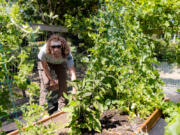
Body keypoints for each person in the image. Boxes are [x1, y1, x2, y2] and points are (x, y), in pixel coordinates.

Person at [38, 34, 76, 111]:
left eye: (58, 54)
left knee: (63, 81)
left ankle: (62, 105)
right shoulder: (43, 52)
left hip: (60, 63)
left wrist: (75, 89)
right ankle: (43, 109)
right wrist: (51, 80)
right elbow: (45, 67)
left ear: (62, 51)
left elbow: (72, 73)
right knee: (46, 82)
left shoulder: (67, 54)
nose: (56, 55)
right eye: (54, 54)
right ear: (50, 50)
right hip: (46, 63)